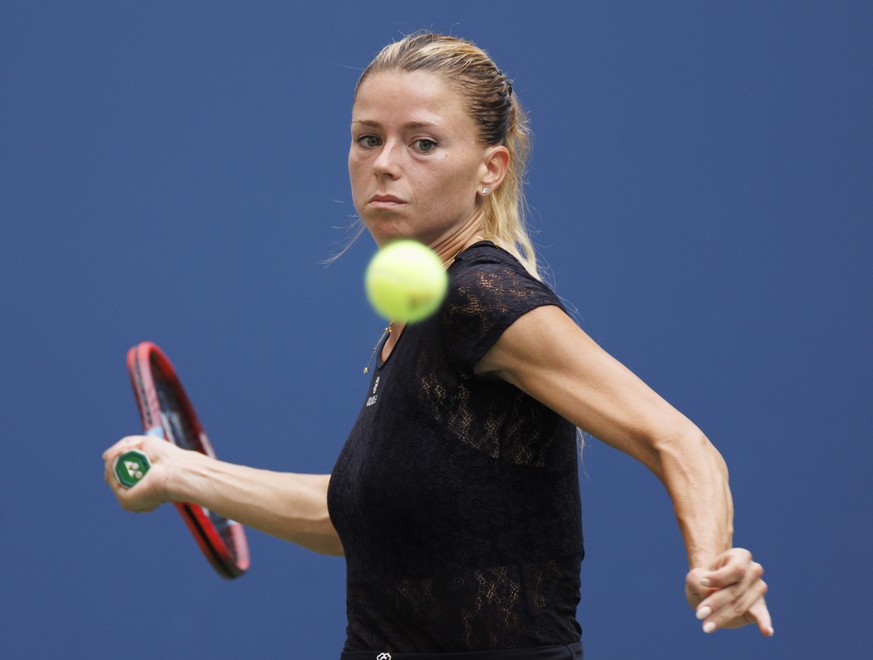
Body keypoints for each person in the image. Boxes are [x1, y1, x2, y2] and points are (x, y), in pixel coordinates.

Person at [104, 32, 772, 659]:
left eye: (421, 143)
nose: (384, 165)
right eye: (367, 139)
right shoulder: (418, 325)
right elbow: (362, 519)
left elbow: (676, 441)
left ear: (490, 168)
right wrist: (182, 474)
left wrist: (714, 563)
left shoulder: (478, 299)